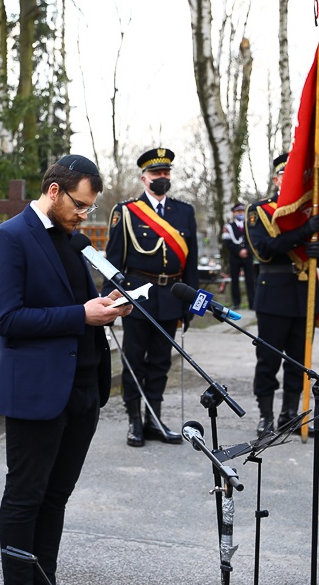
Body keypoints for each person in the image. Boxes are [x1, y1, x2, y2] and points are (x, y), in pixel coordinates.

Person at [0, 155, 131, 585]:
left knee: (56, 497)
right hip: (37, 392)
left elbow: (77, 303)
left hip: (83, 389)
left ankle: (44, 577)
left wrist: (107, 306)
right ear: (54, 191)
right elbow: (8, 320)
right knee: (26, 496)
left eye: (89, 207)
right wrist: (81, 315)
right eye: (80, 205)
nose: (84, 215)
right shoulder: (10, 237)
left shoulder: (73, 240)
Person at [103, 148, 198, 447]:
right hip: (136, 298)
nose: (162, 178)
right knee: (134, 360)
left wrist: (190, 303)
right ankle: (134, 421)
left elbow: (191, 263)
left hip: (171, 296)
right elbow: (114, 261)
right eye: (157, 173)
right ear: (144, 178)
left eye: (166, 173)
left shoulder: (185, 212)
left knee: (160, 363)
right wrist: (111, 300)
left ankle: (154, 420)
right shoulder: (127, 212)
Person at [244, 153, 319, 436]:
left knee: (299, 362)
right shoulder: (260, 210)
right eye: (287, 174)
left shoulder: (311, 210)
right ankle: (265, 416)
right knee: (269, 360)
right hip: (274, 295)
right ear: (277, 179)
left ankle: (290, 415)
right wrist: (303, 233)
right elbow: (265, 249)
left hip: (304, 294)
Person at [221, 202, 255, 310]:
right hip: (235, 257)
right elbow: (227, 241)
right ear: (233, 213)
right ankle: (236, 303)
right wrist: (239, 251)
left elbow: (254, 240)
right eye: (238, 211)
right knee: (234, 280)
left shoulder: (249, 225)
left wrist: (247, 251)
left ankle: (252, 303)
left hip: (248, 257)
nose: (240, 213)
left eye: (242, 211)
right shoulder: (228, 227)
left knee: (250, 280)